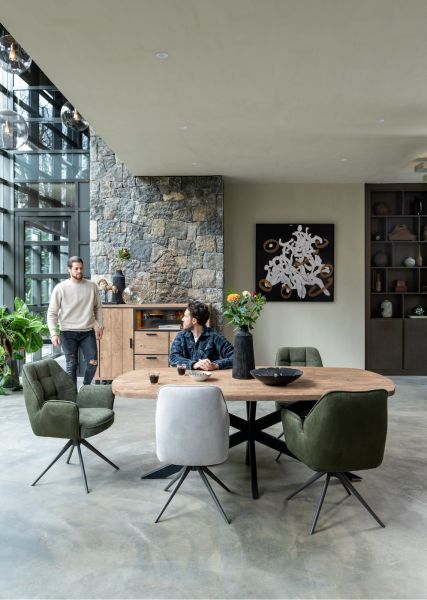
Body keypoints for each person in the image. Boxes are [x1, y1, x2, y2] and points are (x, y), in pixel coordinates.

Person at [47, 256, 103, 386]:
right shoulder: (60, 288)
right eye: (76, 268)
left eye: (81, 268)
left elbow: (98, 308)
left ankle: (85, 388)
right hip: (67, 332)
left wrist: (100, 326)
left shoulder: (92, 286)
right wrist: (53, 333)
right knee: (71, 364)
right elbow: (52, 313)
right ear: (69, 269)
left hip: (87, 331)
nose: (79, 271)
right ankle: (72, 394)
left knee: (93, 362)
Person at [169, 301, 233, 370]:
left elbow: (236, 357)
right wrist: (193, 364)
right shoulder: (181, 336)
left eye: (185, 316)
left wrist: (216, 365)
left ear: (194, 321)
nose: (182, 319)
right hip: (185, 376)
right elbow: (173, 358)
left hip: (209, 376)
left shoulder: (214, 337)